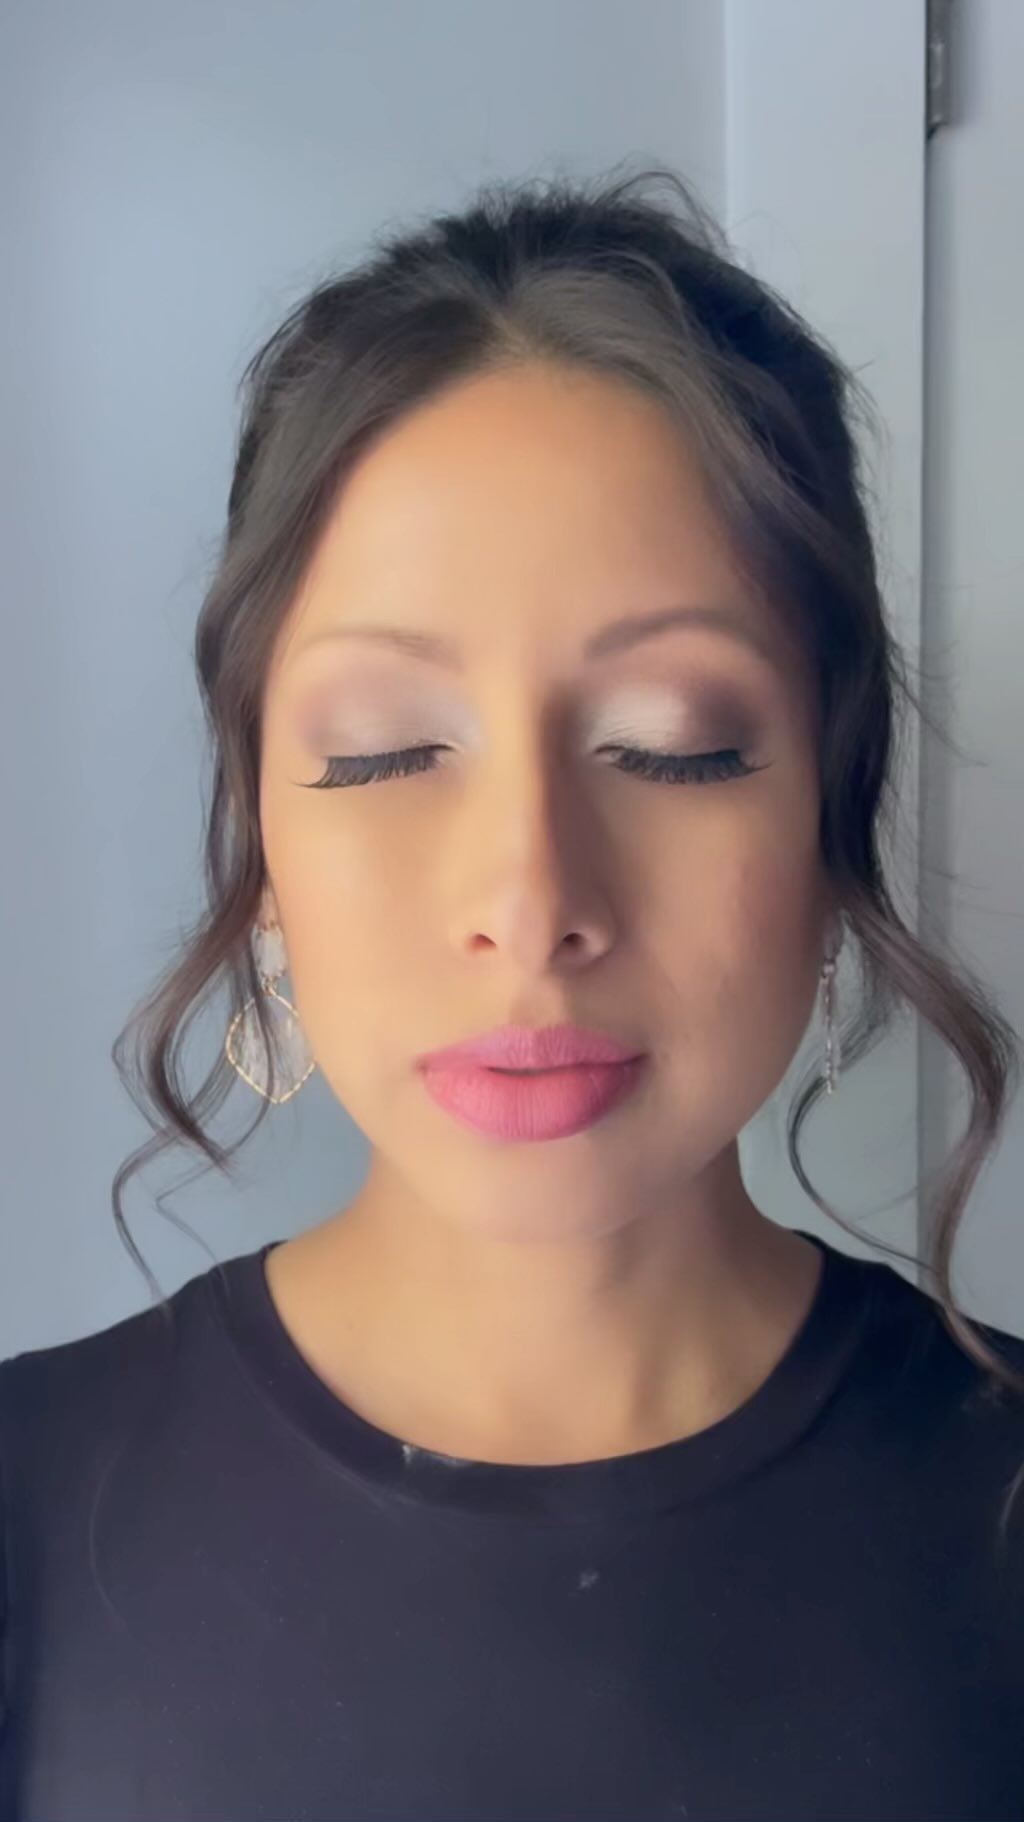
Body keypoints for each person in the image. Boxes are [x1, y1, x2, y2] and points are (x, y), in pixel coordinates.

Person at [1, 166, 1022, 1822]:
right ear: (261, 845)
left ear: (836, 816)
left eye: (671, 746)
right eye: (386, 750)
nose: (532, 902)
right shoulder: (28, 1505)